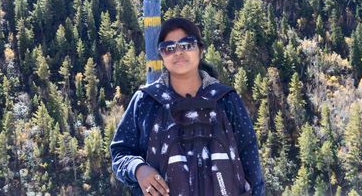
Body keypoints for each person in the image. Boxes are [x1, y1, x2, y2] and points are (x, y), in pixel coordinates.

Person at [111, 17, 265, 195]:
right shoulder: (145, 101)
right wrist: (138, 169)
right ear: (162, 55)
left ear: (200, 49)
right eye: (168, 48)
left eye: (186, 44)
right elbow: (120, 152)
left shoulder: (226, 99)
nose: (178, 52)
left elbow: (250, 159)